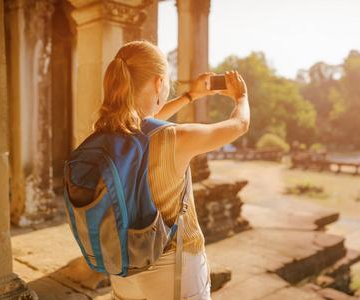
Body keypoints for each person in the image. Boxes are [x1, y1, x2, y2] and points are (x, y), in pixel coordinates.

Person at [93, 40, 249, 300]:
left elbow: (144, 120)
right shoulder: (175, 138)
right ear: (158, 83)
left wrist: (190, 96)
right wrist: (241, 97)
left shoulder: (105, 134)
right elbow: (240, 124)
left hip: (123, 267)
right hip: (173, 270)